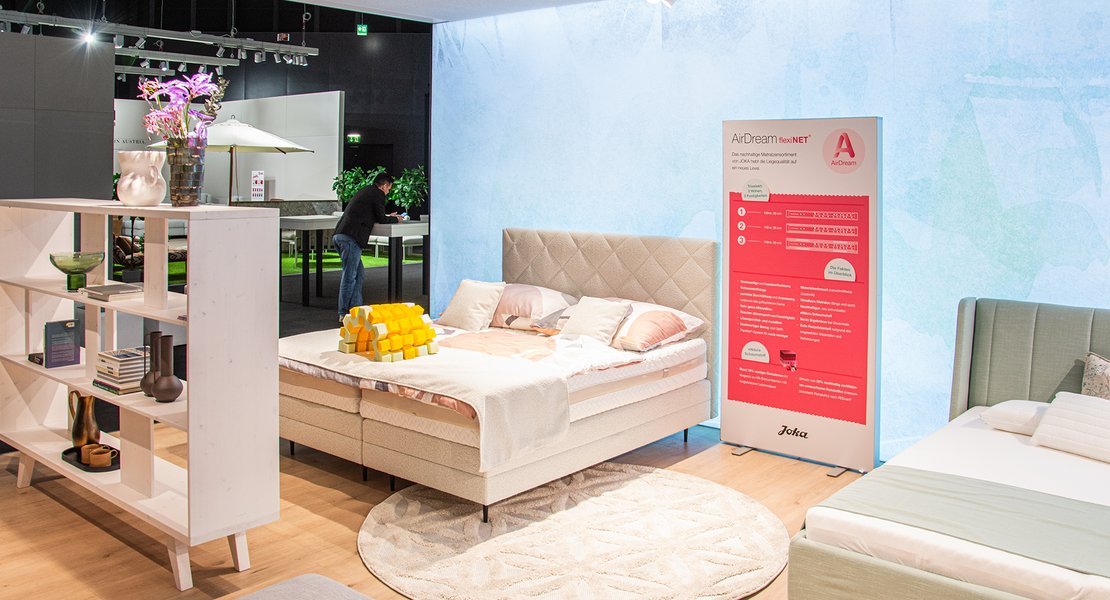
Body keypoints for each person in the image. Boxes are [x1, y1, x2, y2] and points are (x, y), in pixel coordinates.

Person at [332, 172, 404, 321]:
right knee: (350, 276)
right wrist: (396, 219)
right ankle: (344, 313)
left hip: (341, 235)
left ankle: (356, 310)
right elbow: (381, 219)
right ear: (384, 186)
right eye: (389, 188)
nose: (388, 192)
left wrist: (388, 217)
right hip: (350, 238)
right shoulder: (378, 194)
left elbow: (375, 215)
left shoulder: (366, 191)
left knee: (358, 273)